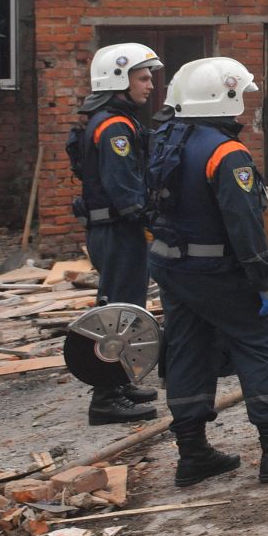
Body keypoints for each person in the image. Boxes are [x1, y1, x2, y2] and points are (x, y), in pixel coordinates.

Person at [146, 57, 268, 485]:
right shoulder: (227, 153)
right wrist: (261, 281)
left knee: (188, 347)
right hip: (218, 272)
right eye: (239, 96)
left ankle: (192, 454)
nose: (243, 106)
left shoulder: (166, 138)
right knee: (260, 344)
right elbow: (246, 225)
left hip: (171, 266)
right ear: (222, 97)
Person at [69, 42, 164, 424]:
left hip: (114, 228)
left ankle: (120, 380)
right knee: (117, 315)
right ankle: (105, 397)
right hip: (117, 229)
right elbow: (124, 189)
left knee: (126, 310)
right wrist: (154, 222)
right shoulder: (114, 128)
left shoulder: (114, 120)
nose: (149, 86)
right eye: (142, 78)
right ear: (119, 80)